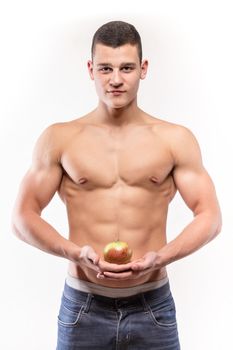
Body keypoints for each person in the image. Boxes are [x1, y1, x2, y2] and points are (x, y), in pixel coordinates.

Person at [12, 20, 222, 350]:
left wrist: (161, 257)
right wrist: (75, 252)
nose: (115, 79)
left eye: (126, 68)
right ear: (90, 69)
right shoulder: (61, 138)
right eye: (105, 68)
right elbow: (23, 217)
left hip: (153, 304)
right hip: (83, 305)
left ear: (143, 68)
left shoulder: (174, 139)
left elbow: (209, 217)